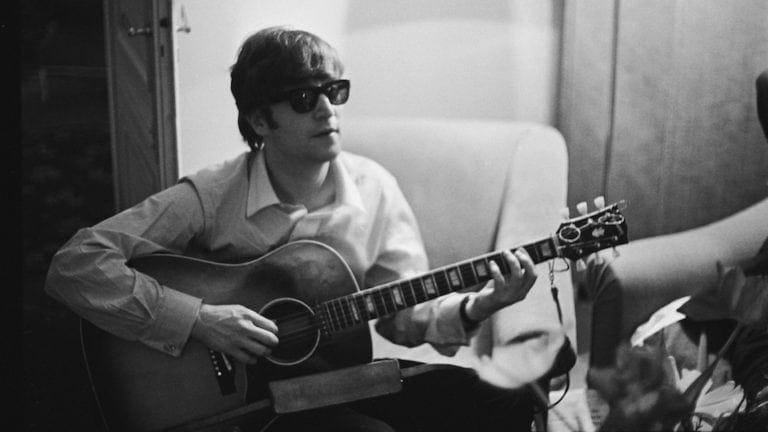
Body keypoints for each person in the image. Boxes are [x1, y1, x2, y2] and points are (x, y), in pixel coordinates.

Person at [45, 26, 541, 431]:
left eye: (334, 91)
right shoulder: (211, 196)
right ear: (261, 121)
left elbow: (403, 319)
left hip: (343, 381)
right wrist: (199, 320)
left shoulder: (375, 188)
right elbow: (76, 264)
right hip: (249, 406)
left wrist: (481, 305)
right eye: (305, 98)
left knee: (506, 402)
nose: (329, 109)